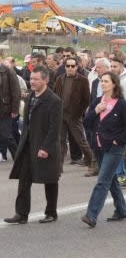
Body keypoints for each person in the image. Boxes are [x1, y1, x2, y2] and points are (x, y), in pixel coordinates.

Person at [4, 66, 62, 225]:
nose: (32, 82)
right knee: (24, 179)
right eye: (31, 78)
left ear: (45, 80)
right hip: (28, 145)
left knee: (50, 180)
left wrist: (45, 148)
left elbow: (54, 128)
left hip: (45, 146)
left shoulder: (54, 100)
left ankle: (51, 212)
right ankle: (21, 214)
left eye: (36, 79)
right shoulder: (30, 97)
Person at [81, 72, 126, 227]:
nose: (102, 83)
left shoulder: (122, 104)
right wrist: (95, 111)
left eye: (106, 81)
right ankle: (121, 210)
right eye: (101, 81)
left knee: (102, 180)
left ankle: (91, 215)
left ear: (114, 84)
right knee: (111, 180)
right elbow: (86, 124)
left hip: (114, 147)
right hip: (98, 146)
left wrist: (119, 141)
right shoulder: (97, 101)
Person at [53, 56, 92, 170]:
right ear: (64, 67)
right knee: (60, 141)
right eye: (68, 66)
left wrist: (78, 113)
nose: (70, 68)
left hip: (74, 116)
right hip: (61, 114)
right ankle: (58, 166)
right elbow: (55, 95)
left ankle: (91, 163)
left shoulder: (83, 80)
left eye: (72, 66)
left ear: (77, 67)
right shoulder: (60, 79)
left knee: (81, 140)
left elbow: (86, 100)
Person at [0, 59, 21, 161]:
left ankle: (17, 157)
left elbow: (16, 91)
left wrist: (15, 110)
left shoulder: (8, 71)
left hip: (5, 108)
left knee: (6, 135)